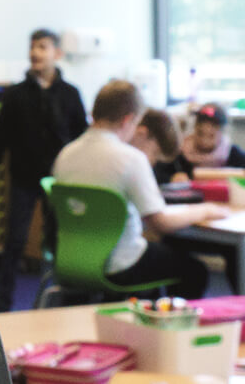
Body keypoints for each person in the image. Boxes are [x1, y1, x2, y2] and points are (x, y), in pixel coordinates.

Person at [51, 80, 229, 300]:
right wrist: (204, 210)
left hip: (72, 261)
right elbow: (161, 223)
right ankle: (170, 328)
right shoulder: (130, 158)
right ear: (128, 120)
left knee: (159, 259)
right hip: (121, 264)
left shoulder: (65, 155)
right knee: (195, 271)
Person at [0, 29, 89, 311]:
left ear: (57, 54)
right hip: (24, 178)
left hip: (59, 179)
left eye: (42, 46)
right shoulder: (15, 95)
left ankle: (60, 297)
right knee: (15, 241)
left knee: (57, 240)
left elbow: (81, 137)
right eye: (32, 47)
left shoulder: (70, 94)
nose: (35, 52)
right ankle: (3, 302)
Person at [168, 102, 245, 183]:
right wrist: (172, 178)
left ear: (223, 131)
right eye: (200, 132)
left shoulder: (232, 154)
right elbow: (158, 175)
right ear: (195, 127)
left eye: (211, 134)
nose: (204, 140)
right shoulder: (179, 153)